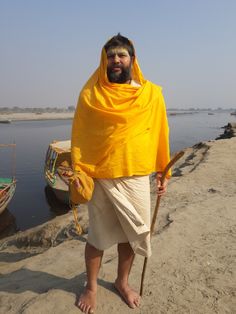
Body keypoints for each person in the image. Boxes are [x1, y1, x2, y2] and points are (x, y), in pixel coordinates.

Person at [71, 33, 171, 314]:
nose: (116, 60)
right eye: (111, 55)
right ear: (104, 60)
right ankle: (91, 287)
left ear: (132, 59)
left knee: (131, 235)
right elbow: (80, 135)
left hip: (137, 176)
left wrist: (163, 171)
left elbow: (161, 134)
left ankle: (121, 281)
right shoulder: (90, 95)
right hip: (101, 176)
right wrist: (78, 167)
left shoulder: (150, 94)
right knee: (98, 238)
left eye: (121, 55)